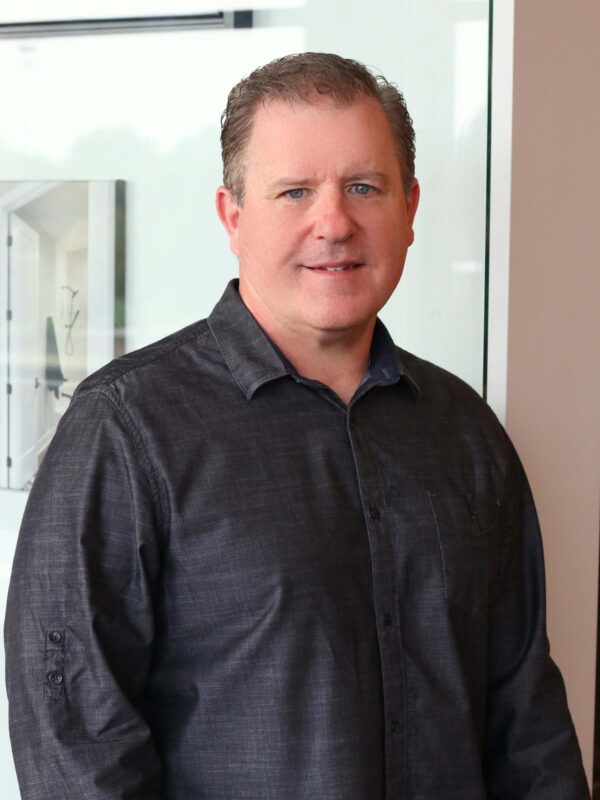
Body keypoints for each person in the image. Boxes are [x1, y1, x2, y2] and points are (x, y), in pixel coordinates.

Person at [4, 52, 589, 799]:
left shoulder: (467, 434)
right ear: (233, 215)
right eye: (294, 191)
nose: (334, 223)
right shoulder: (124, 431)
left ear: (409, 209)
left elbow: (527, 720)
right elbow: (75, 747)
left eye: (363, 187)